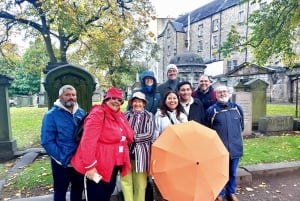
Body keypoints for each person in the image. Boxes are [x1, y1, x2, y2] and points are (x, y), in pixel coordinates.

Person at [71, 87, 134, 201]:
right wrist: (90, 167)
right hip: (97, 167)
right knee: (97, 196)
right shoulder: (98, 114)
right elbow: (87, 141)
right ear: (106, 100)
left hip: (112, 165)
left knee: (106, 193)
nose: (116, 102)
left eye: (119, 100)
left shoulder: (120, 115)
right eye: (113, 98)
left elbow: (129, 135)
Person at [41, 85, 85, 201]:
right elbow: (47, 141)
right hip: (61, 162)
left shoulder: (81, 113)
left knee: (78, 189)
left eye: (73, 95)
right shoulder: (51, 115)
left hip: (79, 161)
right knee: (60, 191)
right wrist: (62, 158)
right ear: (60, 97)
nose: (71, 97)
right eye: (67, 95)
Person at [206, 85, 244, 201]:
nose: (222, 94)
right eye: (219, 92)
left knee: (232, 172)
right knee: (219, 173)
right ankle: (220, 193)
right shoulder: (212, 110)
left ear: (229, 93)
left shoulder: (237, 108)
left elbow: (241, 127)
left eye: (224, 92)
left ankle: (231, 192)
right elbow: (208, 129)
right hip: (219, 149)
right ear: (216, 95)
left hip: (235, 146)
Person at [121, 91, 155, 201]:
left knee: (140, 184)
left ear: (144, 103)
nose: (137, 104)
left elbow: (149, 134)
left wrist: (131, 137)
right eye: (135, 101)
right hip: (125, 153)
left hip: (142, 155)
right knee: (126, 181)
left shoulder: (149, 116)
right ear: (131, 103)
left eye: (140, 101)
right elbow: (121, 131)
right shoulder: (126, 115)